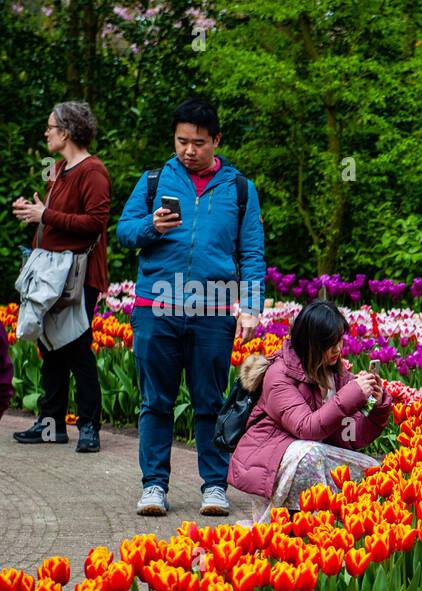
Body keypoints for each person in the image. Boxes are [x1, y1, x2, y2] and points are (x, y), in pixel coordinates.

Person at [117, 97, 266, 517]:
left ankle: (214, 486)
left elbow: (252, 252)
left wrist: (251, 306)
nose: (188, 150)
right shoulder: (152, 181)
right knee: (156, 401)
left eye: (198, 143)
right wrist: (151, 226)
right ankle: (153, 486)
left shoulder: (240, 189)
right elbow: (124, 232)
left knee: (209, 400)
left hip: (214, 308)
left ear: (216, 140)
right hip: (156, 303)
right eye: (182, 141)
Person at [228, 301, 391, 519]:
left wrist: (377, 407)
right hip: (274, 459)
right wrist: (350, 395)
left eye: (339, 340)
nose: (338, 349)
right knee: (311, 454)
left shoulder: (334, 374)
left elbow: (353, 437)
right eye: (330, 343)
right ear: (310, 343)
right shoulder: (279, 376)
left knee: (372, 471)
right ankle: (304, 527)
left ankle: (337, 531)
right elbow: (306, 427)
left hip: (314, 458)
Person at [11, 101, 109, 452]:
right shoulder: (59, 169)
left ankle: (89, 427)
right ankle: (51, 425)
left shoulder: (92, 171)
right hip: (52, 274)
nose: (46, 133)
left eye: (50, 127)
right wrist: (36, 214)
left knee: (77, 348)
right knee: (50, 348)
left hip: (78, 277)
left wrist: (47, 214)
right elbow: (55, 217)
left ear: (66, 132)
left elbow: (95, 223)